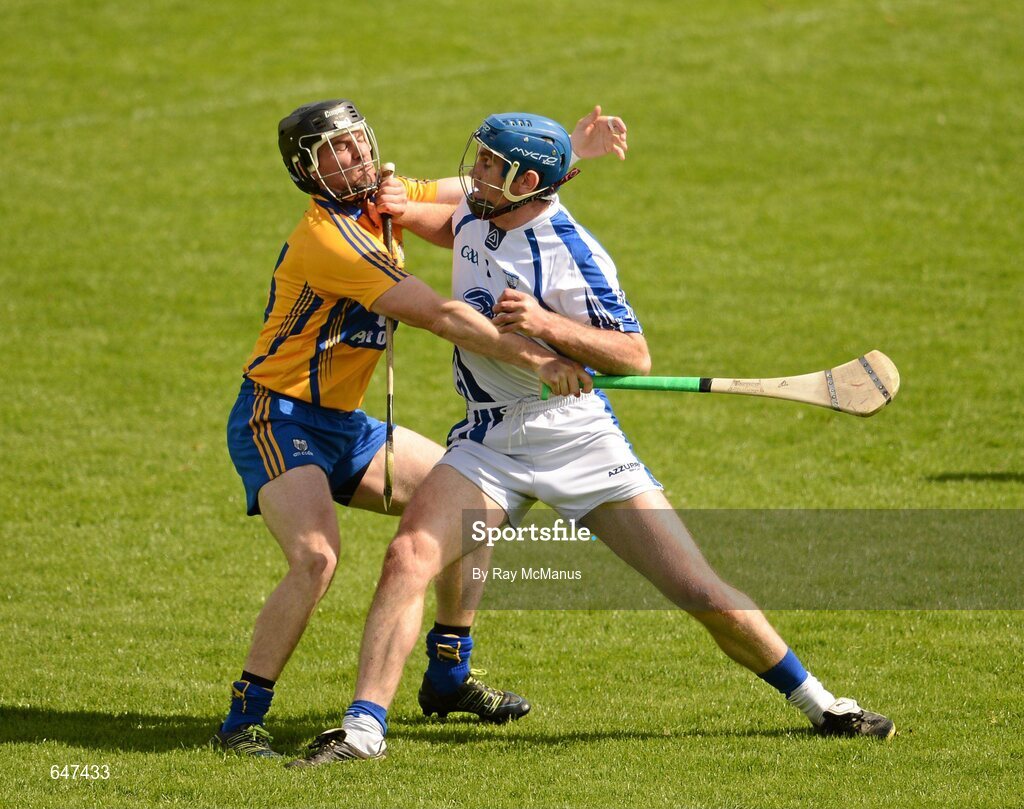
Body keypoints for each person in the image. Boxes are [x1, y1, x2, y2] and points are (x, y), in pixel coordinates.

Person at [285, 112, 895, 767]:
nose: (474, 172)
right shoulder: (477, 210)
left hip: (577, 442)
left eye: (489, 164)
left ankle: (824, 704)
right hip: (488, 438)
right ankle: (363, 730)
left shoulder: (574, 255)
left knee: (699, 591)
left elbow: (633, 354)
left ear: (524, 182)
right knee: (407, 556)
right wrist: (402, 211)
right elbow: (451, 226)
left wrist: (550, 325)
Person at [212, 99, 626, 757]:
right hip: (278, 415)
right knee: (316, 557)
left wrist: (567, 157)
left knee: (471, 502)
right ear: (305, 170)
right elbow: (443, 315)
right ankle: (243, 719)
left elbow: (481, 190)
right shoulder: (329, 238)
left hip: (346, 425)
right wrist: (542, 358)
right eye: (332, 152)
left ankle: (448, 676)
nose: (351, 159)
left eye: (354, 143)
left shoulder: (382, 197)